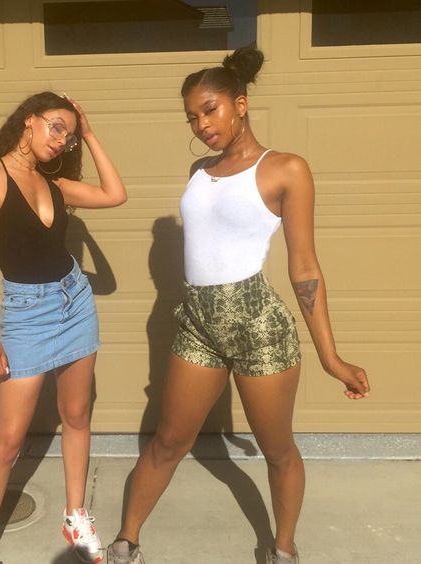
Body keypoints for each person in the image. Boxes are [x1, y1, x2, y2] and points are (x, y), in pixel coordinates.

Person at [107, 47, 370, 564]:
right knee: (168, 442)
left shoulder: (286, 169)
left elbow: (305, 268)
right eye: (192, 117)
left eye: (210, 110)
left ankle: (283, 549)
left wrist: (330, 357)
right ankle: (125, 542)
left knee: (277, 450)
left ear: (241, 104)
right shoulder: (199, 170)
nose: (201, 125)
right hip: (198, 326)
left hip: (259, 330)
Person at [0, 91, 126, 564]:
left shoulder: (55, 184)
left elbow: (115, 194)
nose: (61, 140)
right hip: (26, 315)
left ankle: (75, 515)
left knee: (76, 415)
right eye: (56, 127)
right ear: (28, 121)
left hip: (76, 302)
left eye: (67, 135)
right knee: (7, 441)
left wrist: (88, 134)